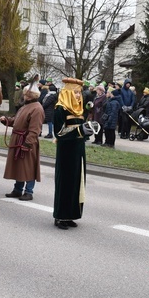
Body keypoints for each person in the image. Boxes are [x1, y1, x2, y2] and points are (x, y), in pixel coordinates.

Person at [53, 77, 94, 229]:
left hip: (78, 150)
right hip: (66, 151)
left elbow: (81, 128)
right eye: (75, 93)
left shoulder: (79, 109)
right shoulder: (60, 109)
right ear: (67, 92)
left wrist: (87, 130)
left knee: (77, 183)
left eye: (79, 93)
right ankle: (60, 216)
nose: (78, 96)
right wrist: (79, 130)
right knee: (65, 183)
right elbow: (59, 132)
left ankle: (70, 215)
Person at [0, 78, 44, 201]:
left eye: (25, 94)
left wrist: (28, 143)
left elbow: (35, 130)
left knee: (28, 167)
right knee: (19, 166)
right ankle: (18, 189)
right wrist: (6, 120)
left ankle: (28, 191)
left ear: (29, 95)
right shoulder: (25, 106)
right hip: (18, 139)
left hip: (27, 141)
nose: (23, 96)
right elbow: (16, 121)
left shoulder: (37, 109)